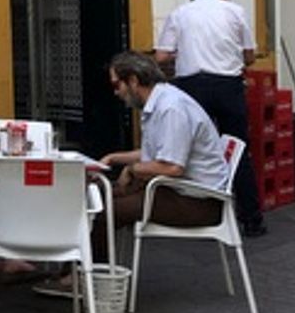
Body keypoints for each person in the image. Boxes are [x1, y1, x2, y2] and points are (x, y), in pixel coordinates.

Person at [154, 0, 266, 237]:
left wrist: (184, 55)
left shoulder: (181, 13)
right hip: (228, 88)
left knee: (189, 149)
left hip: (192, 88)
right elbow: (249, 56)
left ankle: (191, 210)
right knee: (238, 150)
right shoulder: (236, 11)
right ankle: (251, 219)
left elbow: (160, 56)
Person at [93, 51, 229, 258]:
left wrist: (131, 169)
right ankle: (83, 272)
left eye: (116, 85)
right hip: (181, 191)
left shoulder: (170, 109)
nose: (116, 93)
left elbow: (172, 167)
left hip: (198, 201)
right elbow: (156, 153)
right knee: (97, 197)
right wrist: (114, 158)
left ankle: (89, 279)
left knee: (104, 211)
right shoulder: (161, 102)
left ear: (133, 81)